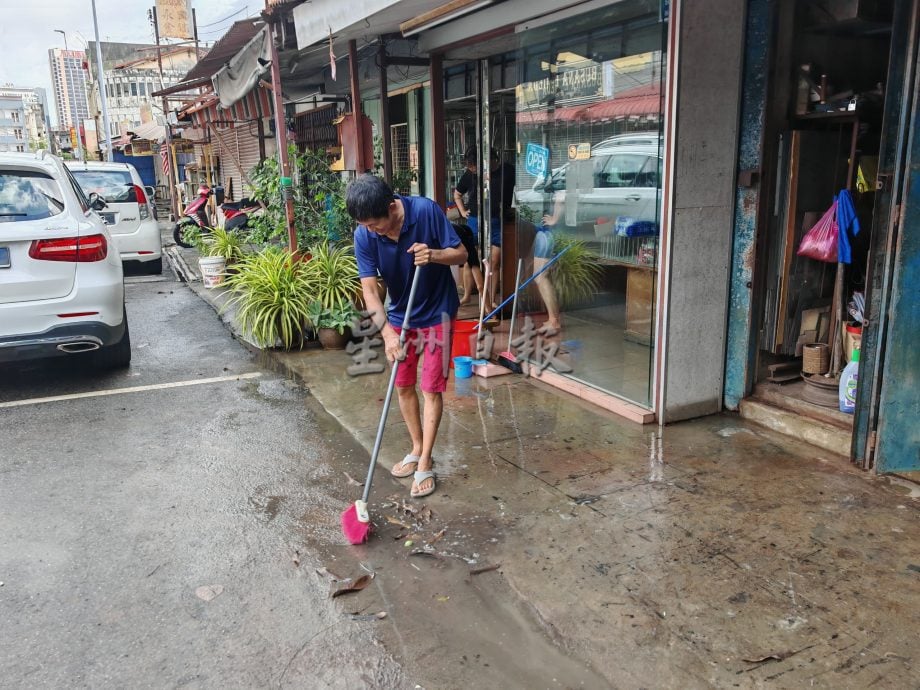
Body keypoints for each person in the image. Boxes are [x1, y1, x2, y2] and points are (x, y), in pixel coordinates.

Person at [348, 175, 468, 499]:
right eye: (366, 226)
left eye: (376, 224)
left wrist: (434, 255)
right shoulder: (365, 234)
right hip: (401, 315)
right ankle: (416, 448)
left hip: (438, 311)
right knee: (402, 384)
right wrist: (387, 334)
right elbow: (370, 291)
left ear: (391, 207)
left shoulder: (426, 212)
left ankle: (426, 461)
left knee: (431, 387)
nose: (373, 231)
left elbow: (461, 254)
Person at [453, 146, 515, 309]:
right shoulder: (470, 175)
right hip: (475, 219)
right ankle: (467, 295)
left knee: (494, 261)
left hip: (496, 219)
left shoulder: (508, 171)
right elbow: (457, 194)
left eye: (473, 165)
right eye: (470, 166)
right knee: (469, 259)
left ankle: (492, 299)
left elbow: (517, 191)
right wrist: (462, 211)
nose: (472, 169)